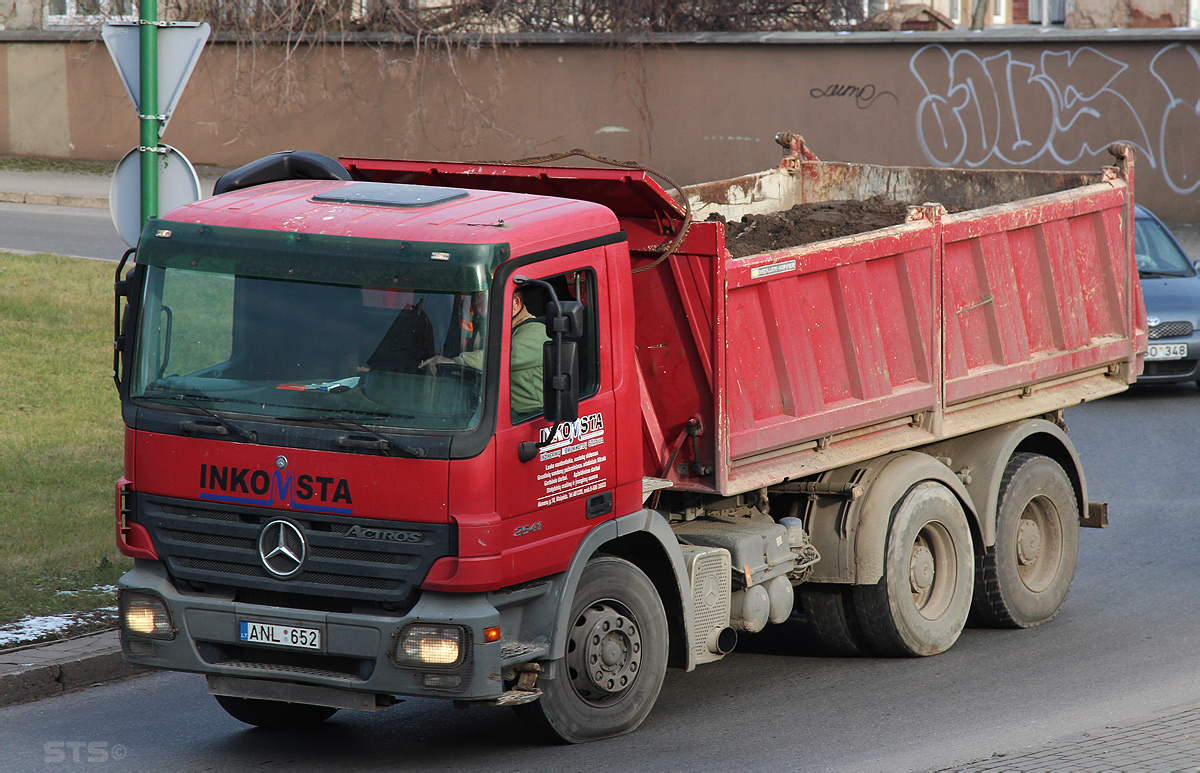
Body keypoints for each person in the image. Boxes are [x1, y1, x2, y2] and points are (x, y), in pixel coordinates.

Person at [419, 286, 548, 416]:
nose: (479, 303)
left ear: (516, 303)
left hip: (528, 415)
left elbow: (503, 356)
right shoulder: (488, 330)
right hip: (491, 412)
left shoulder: (536, 331)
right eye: (479, 297)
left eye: (488, 298)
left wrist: (454, 361)